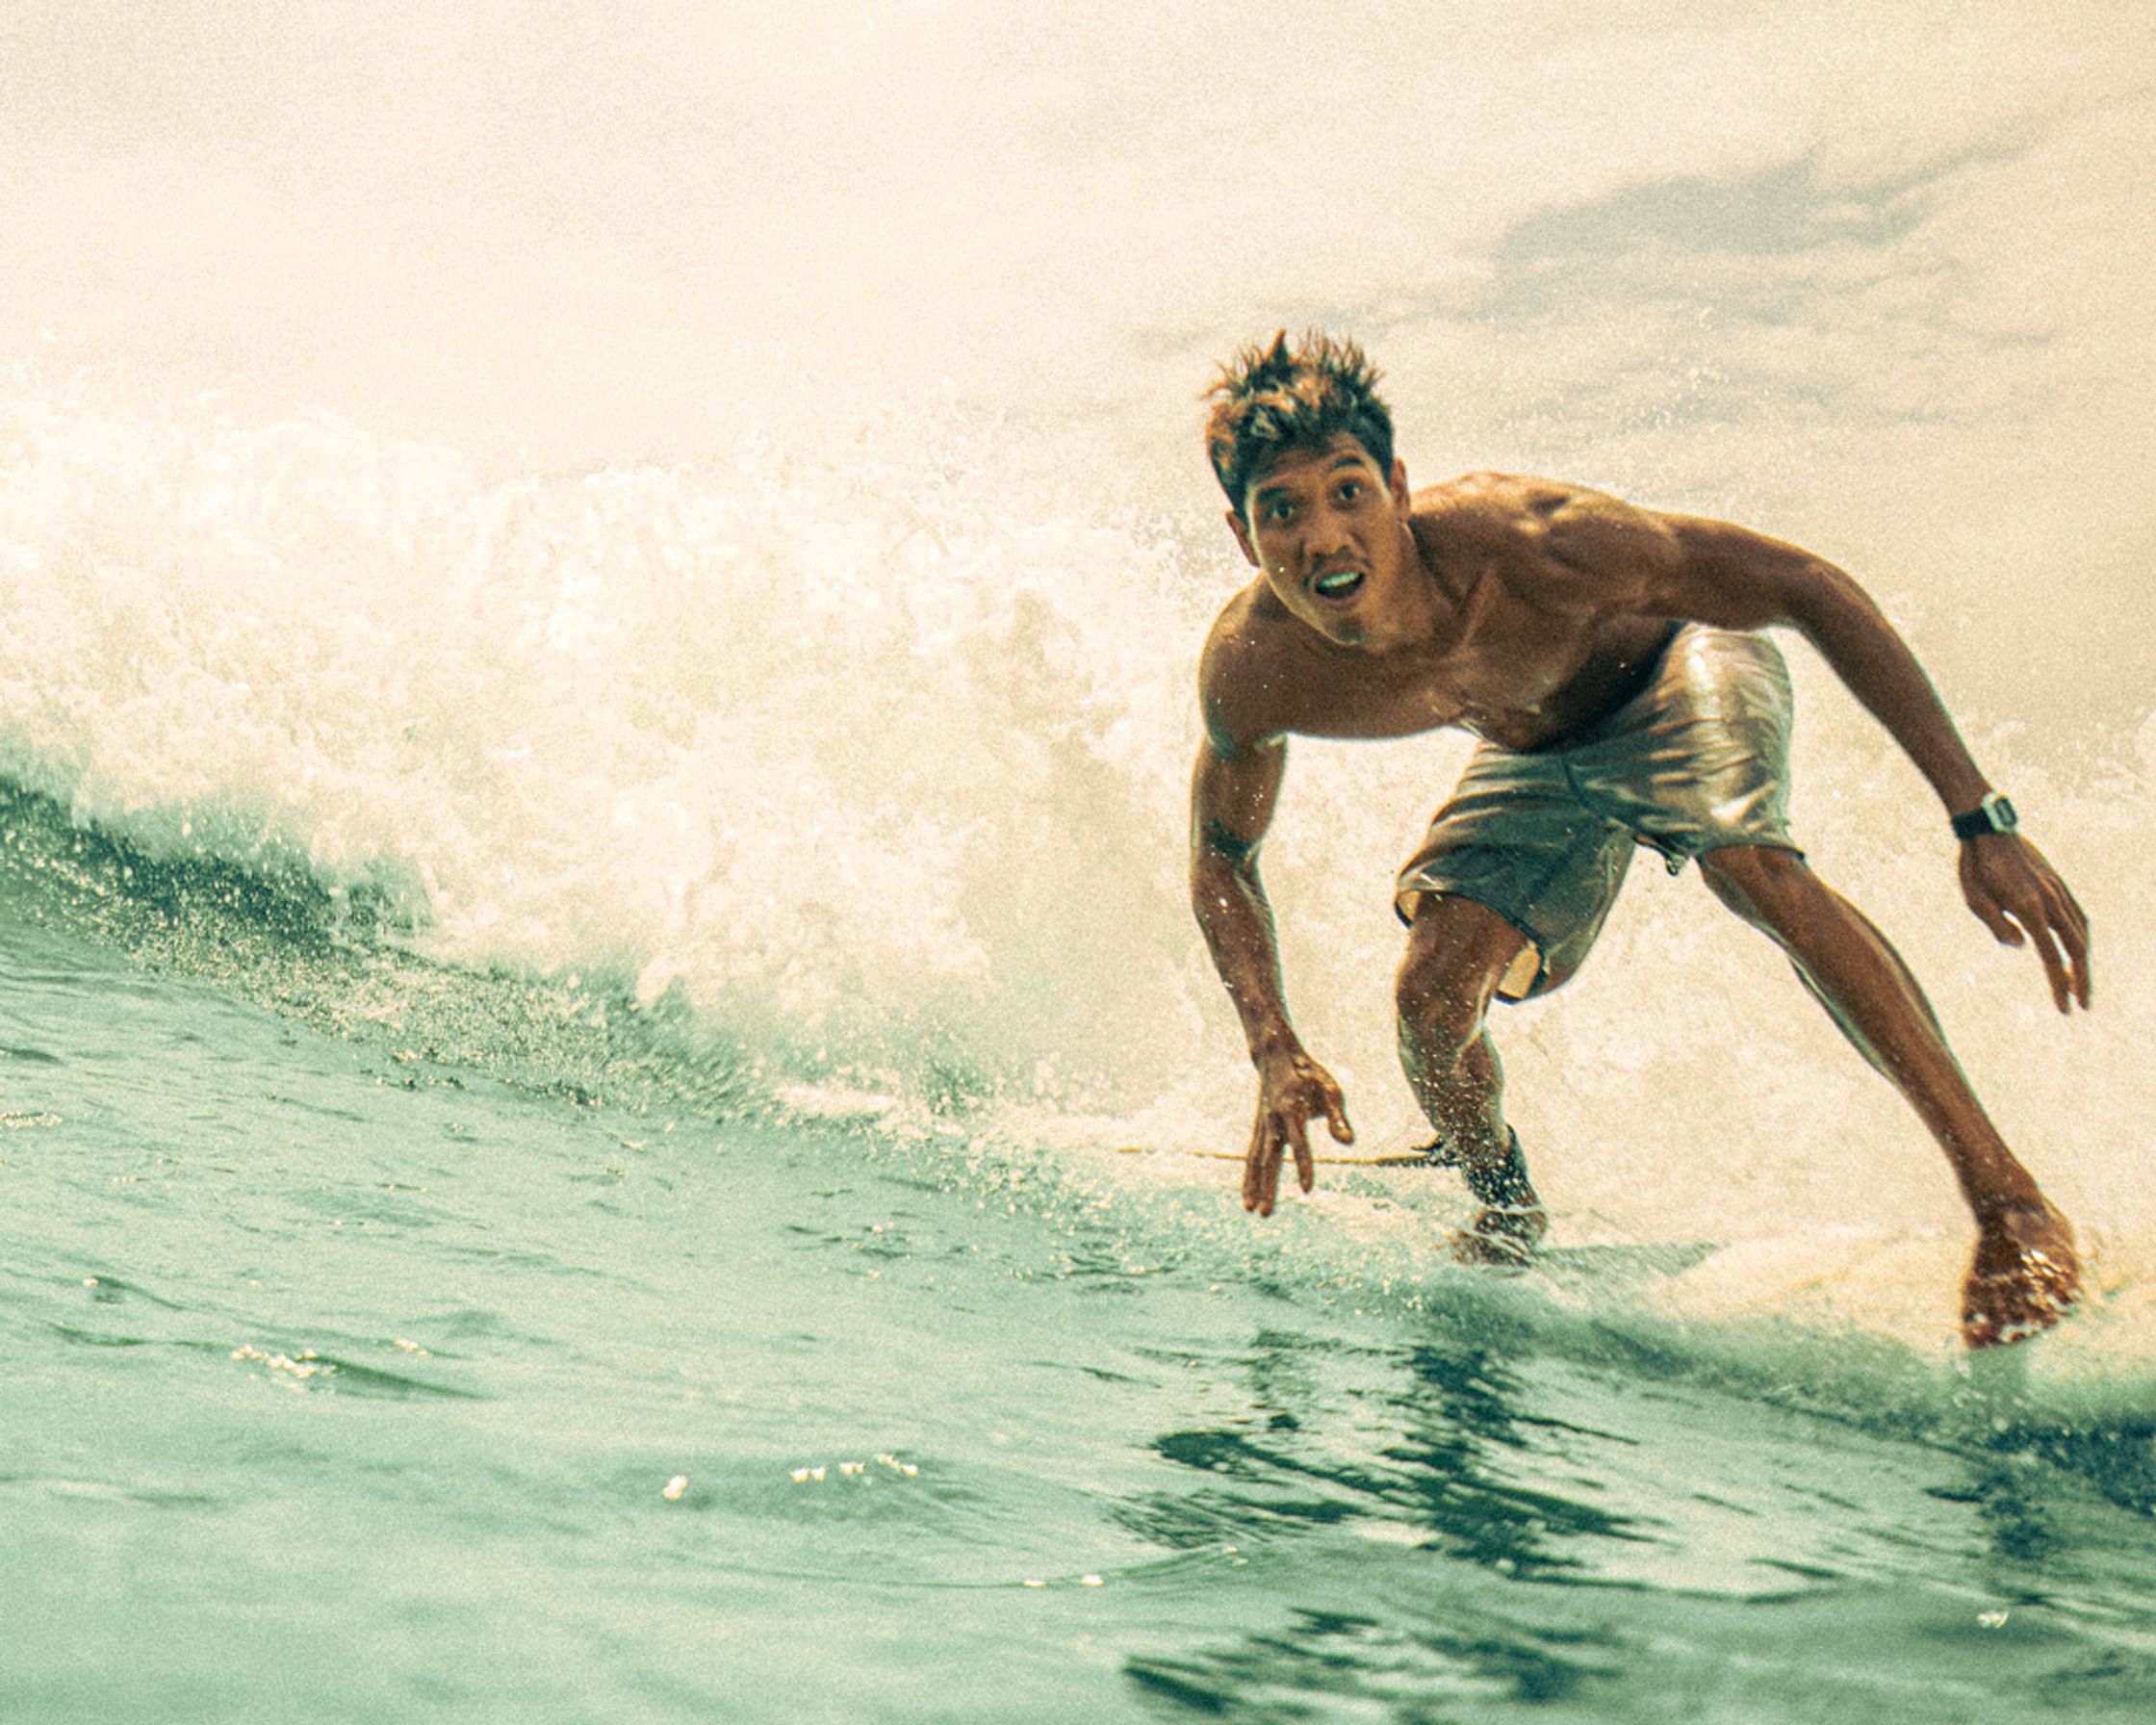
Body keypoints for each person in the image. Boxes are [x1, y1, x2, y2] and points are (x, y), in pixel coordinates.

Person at [1188, 330, 2089, 1348]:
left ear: (1396, 486)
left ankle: (2007, 1202)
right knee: (1428, 997)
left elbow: (1801, 585)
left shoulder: (1533, 542)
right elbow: (1222, 851)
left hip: (1675, 669)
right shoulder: (1253, 668)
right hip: (1532, 743)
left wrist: (1978, 820)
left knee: (1742, 861)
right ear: (1241, 534)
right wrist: (1272, 1045)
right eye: (1282, 511)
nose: (1322, 538)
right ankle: (1500, 1199)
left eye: (1346, 491)